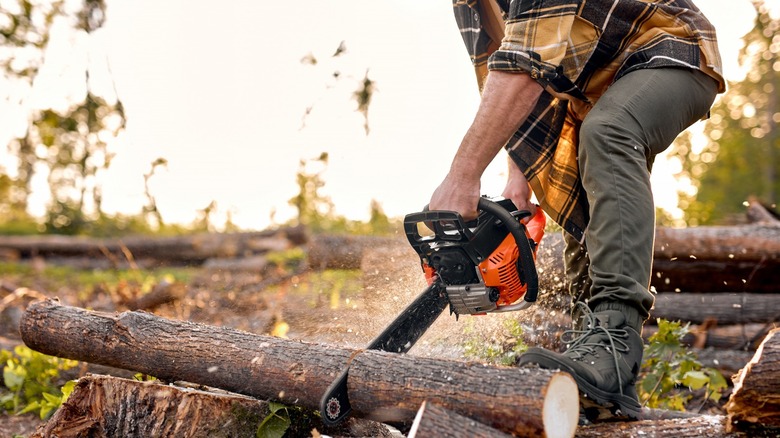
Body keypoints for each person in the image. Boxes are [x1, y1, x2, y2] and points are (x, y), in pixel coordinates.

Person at [429, 0, 725, 420]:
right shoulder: (471, 6)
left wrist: (462, 176)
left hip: (671, 51)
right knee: (583, 196)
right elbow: (517, 87)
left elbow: (524, 68)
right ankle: (598, 372)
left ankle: (615, 340)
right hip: (593, 92)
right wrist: (519, 181)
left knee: (610, 131)